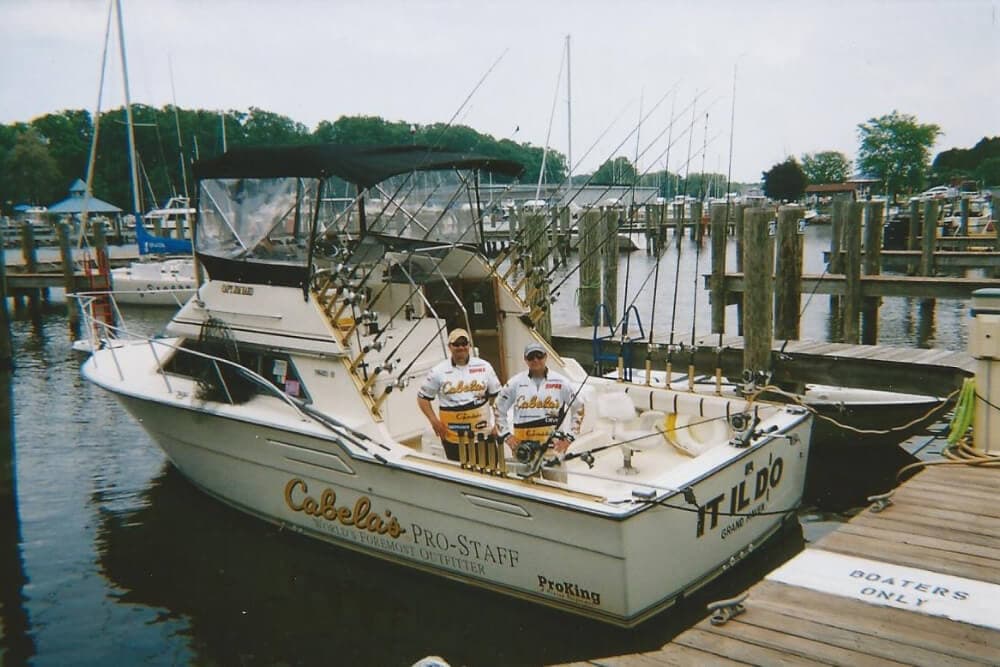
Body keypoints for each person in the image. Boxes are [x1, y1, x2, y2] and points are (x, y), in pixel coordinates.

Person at [417, 328, 501, 461]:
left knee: (490, 472)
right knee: (461, 473)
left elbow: (499, 397)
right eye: (456, 344)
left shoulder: (484, 366)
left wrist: (498, 424)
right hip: (453, 437)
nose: (461, 347)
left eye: (464, 343)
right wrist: (434, 421)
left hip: (483, 434)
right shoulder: (438, 371)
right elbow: (422, 399)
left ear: (469, 345)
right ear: (449, 347)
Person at [495, 341, 583, 456]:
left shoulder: (562, 382)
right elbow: (498, 408)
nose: (535, 360)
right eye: (531, 357)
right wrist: (506, 435)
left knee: (556, 474)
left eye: (539, 355)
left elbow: (579, 407)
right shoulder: (514, 383)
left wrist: (569, 439)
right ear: (525, 359)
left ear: (546, 356)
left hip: (553, 448)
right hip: (523, 448)